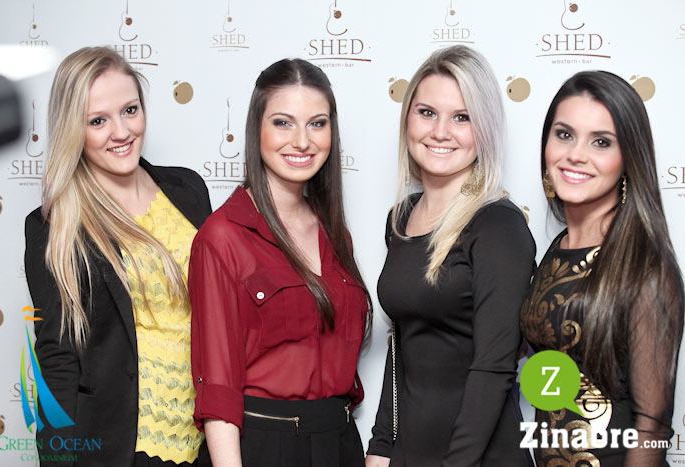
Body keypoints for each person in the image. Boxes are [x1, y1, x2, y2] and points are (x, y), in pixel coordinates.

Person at [24, 46, 212, 467]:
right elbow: (58, 361)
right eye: (98, 121)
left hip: (206, 440)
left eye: (130, 110)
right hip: (123, 448)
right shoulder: (54, 225)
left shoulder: (188, 190)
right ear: (73, 128)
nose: (121, 131)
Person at [188, 58, 371, 467]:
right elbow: (218, 389)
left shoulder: (333, 232)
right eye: (283, 123)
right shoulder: (223, 236)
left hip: (340, 443)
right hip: (263, 447)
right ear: (257, 129)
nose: (302, 141)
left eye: (317, 123)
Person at [365, 45, 535, 467]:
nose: (441, 131)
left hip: (481, 457)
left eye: (462, 117)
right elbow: (402, 345)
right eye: (427, 112)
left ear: (485, 128)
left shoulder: (498, 225)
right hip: (410, 452)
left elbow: (494, 368)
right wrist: (381, 447)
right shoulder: (401, 219)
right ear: (407, 118)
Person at [520, 71, 684, 466]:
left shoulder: (646, 266)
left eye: (601, 142)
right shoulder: (559, 248)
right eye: (564, 135)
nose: (576, 154)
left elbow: (652, 425)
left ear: (628, 158)